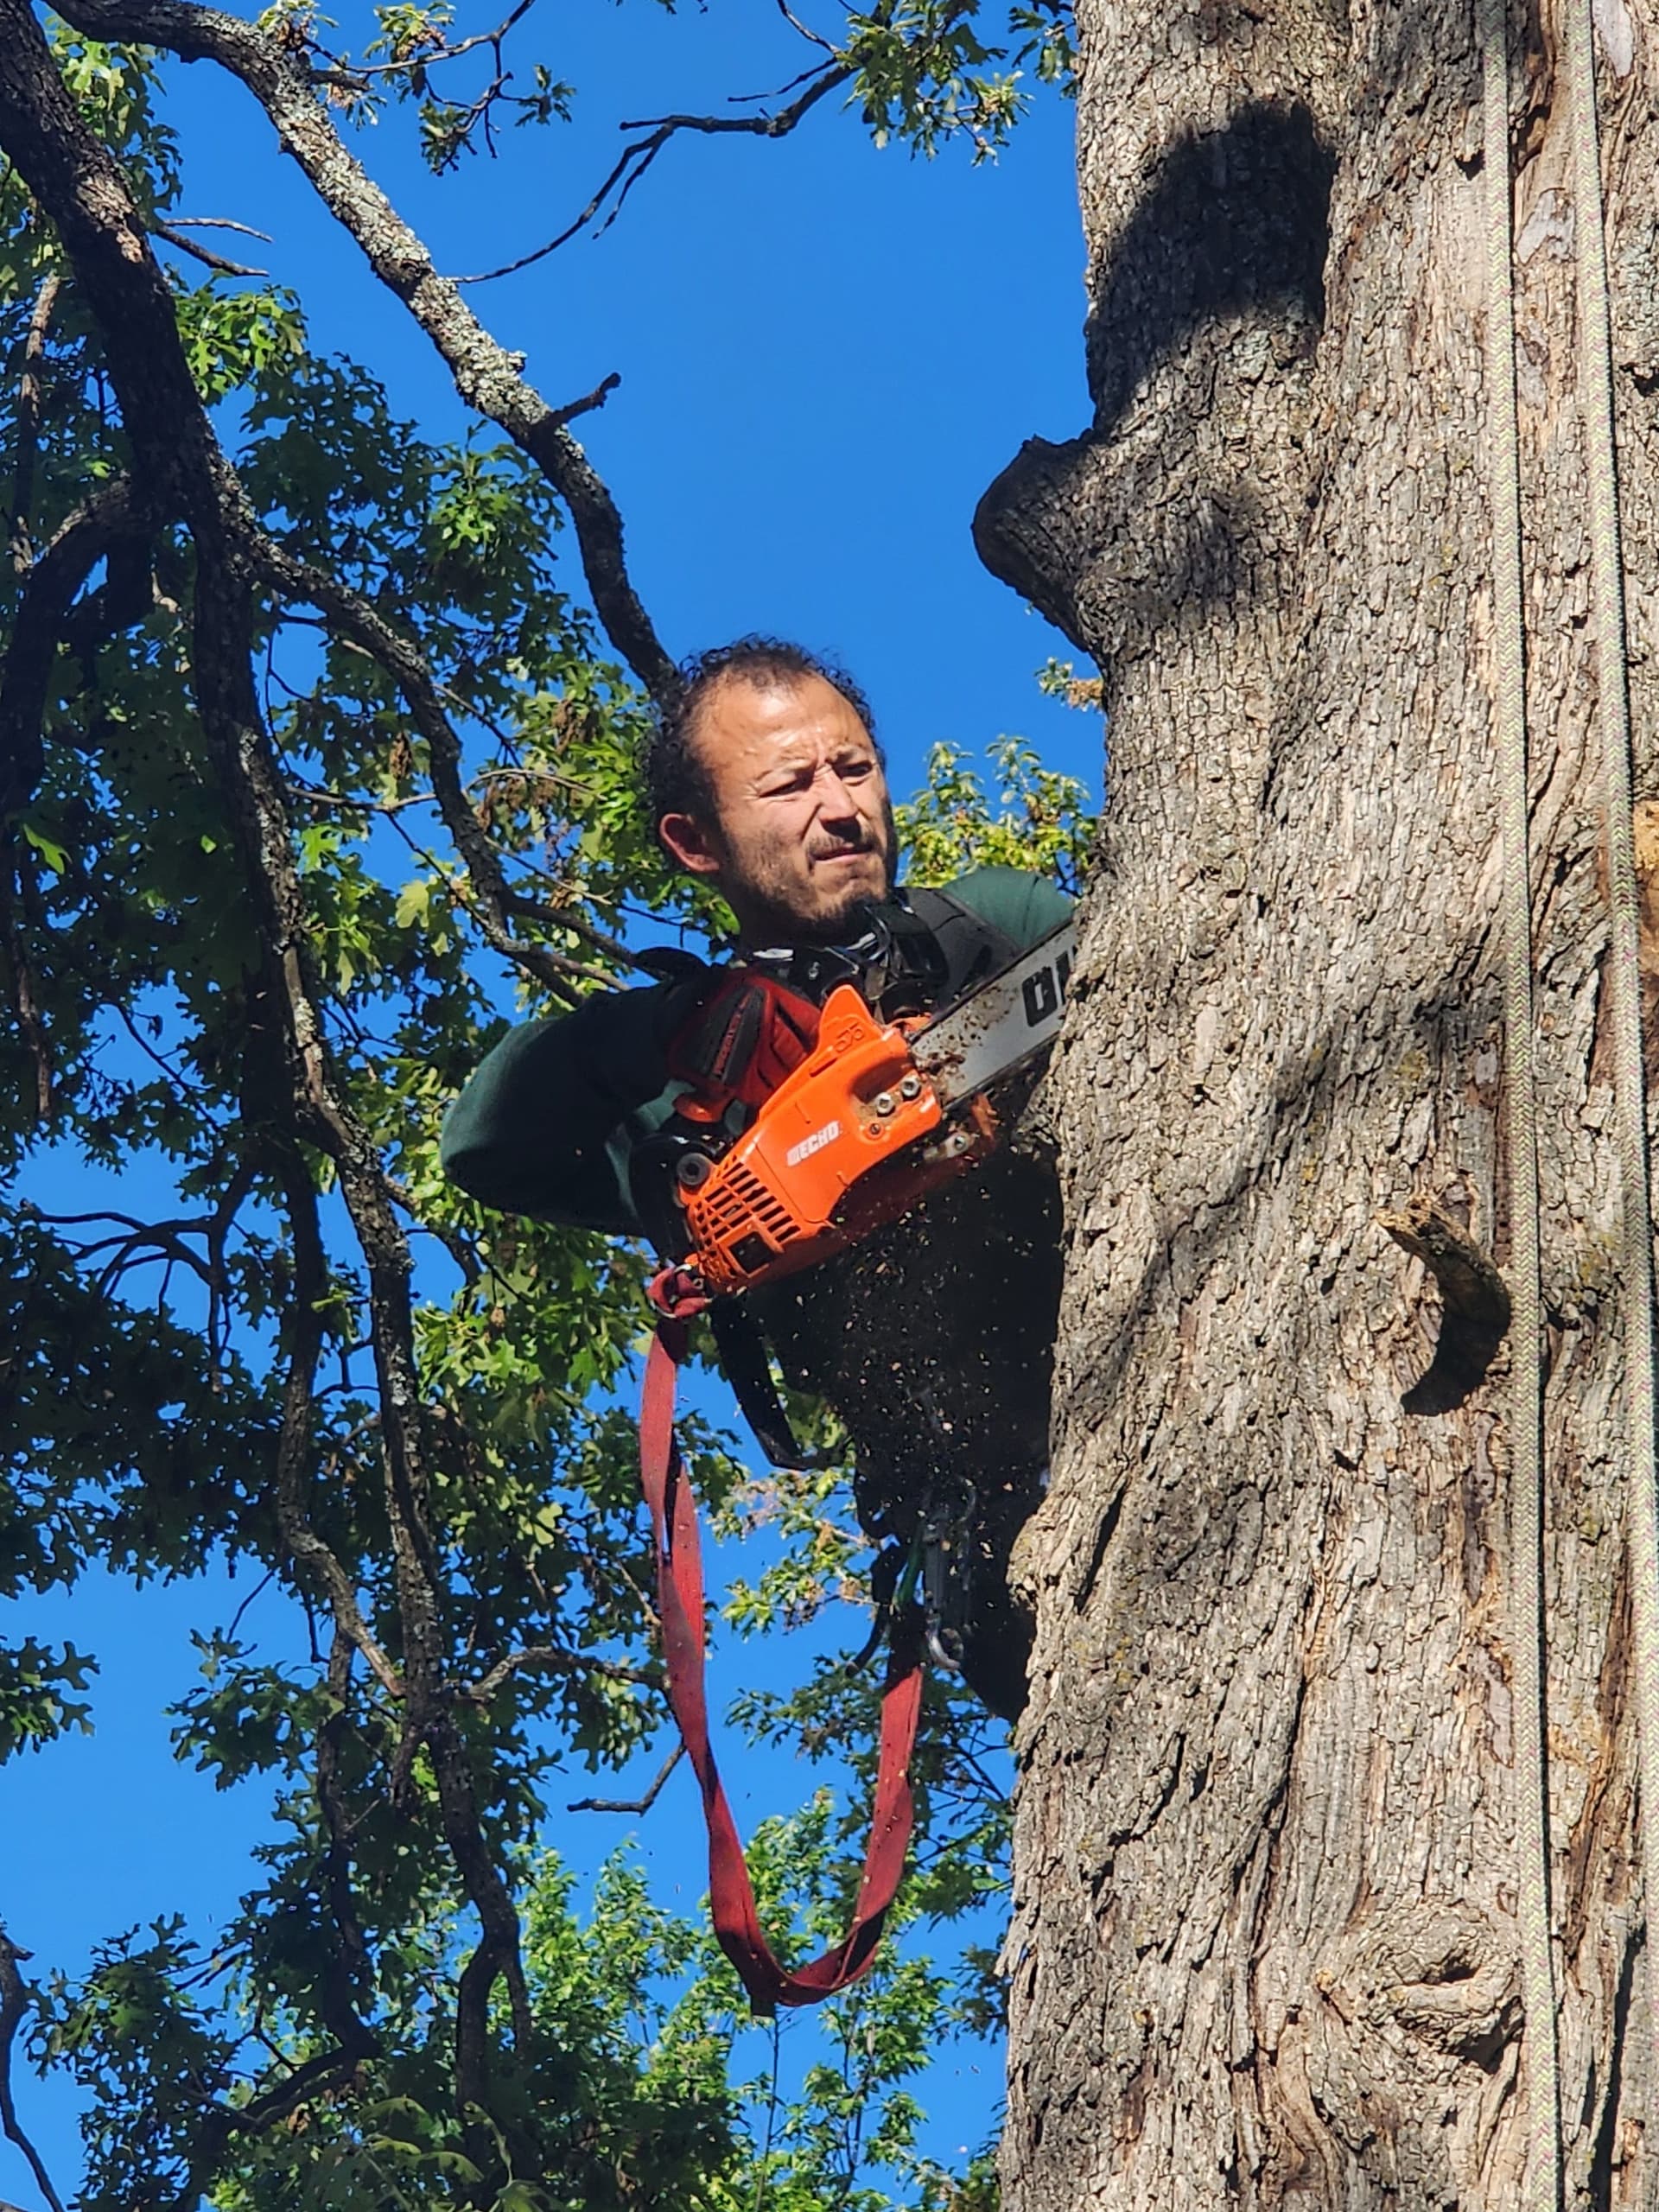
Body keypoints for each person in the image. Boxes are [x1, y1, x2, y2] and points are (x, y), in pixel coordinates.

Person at [442, 638, 1070, 1719]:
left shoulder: (989, 930)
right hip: (991, 1510)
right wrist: (659, 1033)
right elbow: (481, 1142)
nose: (840, 808)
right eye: (790, 785)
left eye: (855, 768)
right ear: (696, 839)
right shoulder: (687, 1094)